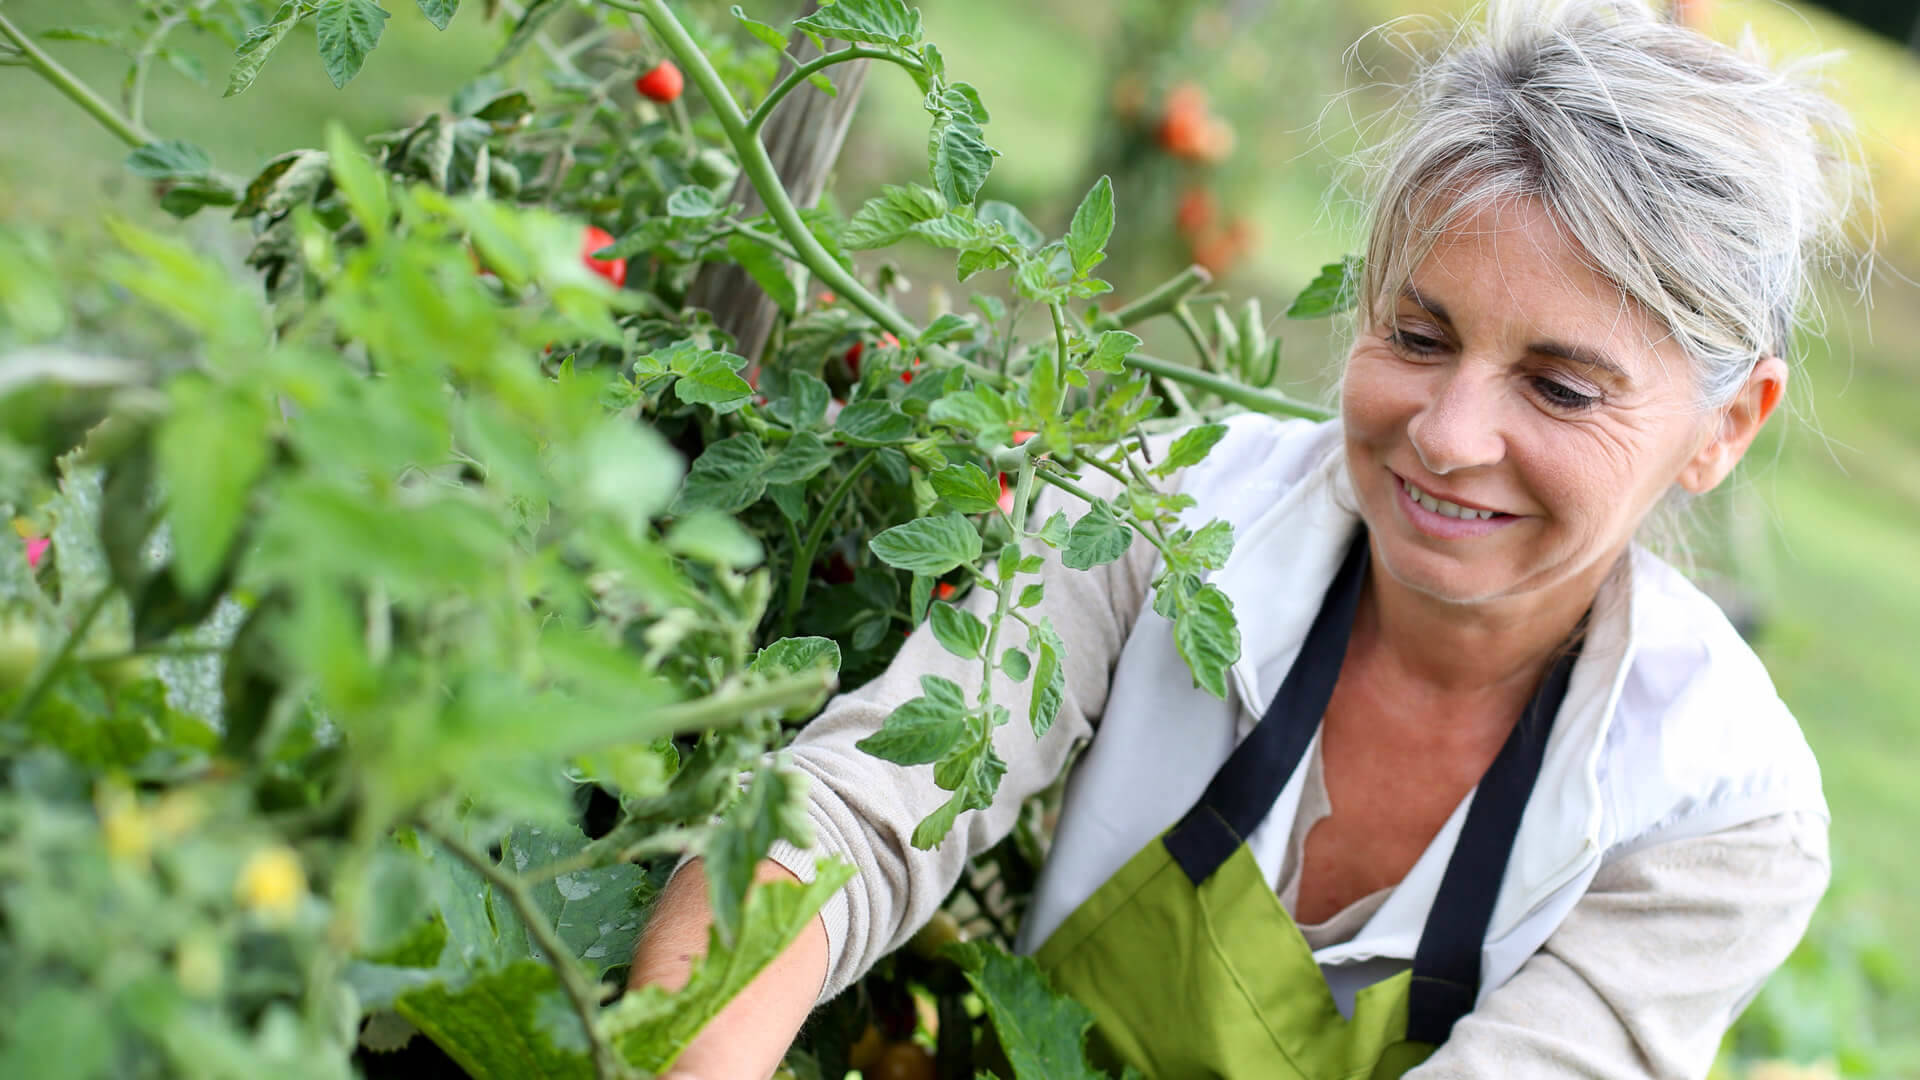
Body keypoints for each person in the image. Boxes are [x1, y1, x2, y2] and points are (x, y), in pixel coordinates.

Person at [632, 0, 1860, 1076]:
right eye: (1419, 339)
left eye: (1560, 388)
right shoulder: (1163, 512)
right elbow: (852, 823)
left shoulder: (1720, 814)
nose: (1446, 435)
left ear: (1724, 427)